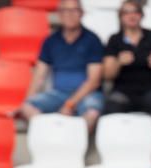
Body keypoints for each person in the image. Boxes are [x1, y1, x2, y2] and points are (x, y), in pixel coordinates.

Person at [102, 0, 151, 165]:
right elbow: (107, 74)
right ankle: (114, 152)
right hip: (124, 91)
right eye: (126, 12)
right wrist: (119, 62)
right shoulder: (115, 40)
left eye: (135, 12)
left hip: (149, 90)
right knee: (111, 106)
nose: (131, 16)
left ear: (141, 15)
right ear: (121, 17)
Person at [19, 0, 105, 134]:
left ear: (81, 13)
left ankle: (72, 148)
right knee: (27, 107)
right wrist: (28, 101)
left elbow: (94, 80)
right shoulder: (50, 41)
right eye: (65, 10)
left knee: (91, 114)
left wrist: (70, 104)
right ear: (59, 14)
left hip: (87, 94)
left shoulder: (92, 40)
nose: (69, 14)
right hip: (59, 93)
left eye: (74, 10)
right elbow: (39, 75)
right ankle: (51, 139)